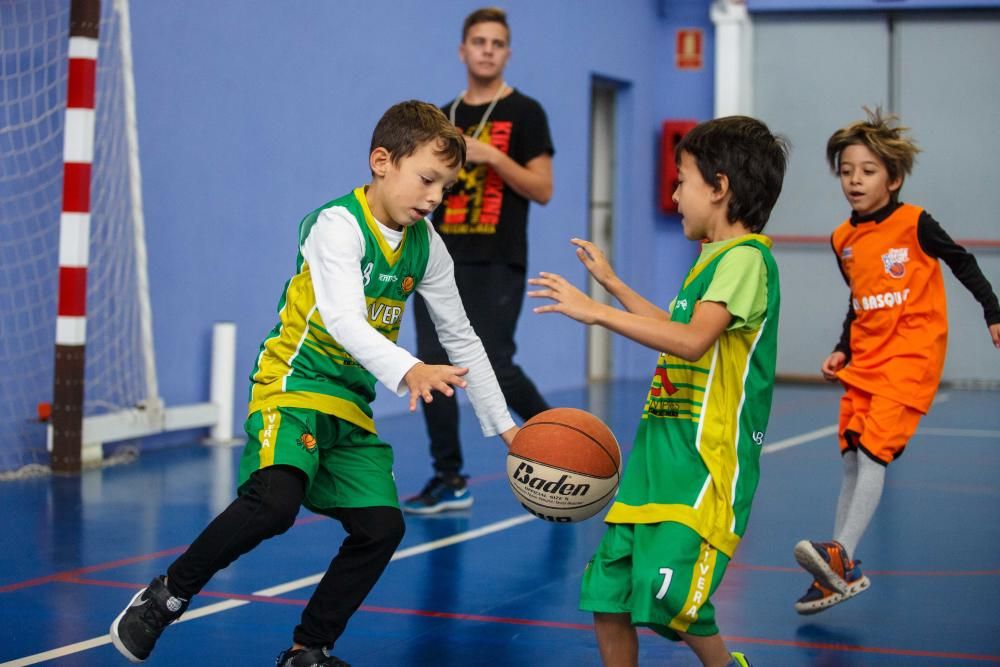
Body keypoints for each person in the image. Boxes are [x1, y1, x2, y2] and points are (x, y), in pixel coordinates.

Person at [108, 101, 518, 667]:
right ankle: (168, 594)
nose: (433, 198)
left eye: (445, 187)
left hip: (349, 404)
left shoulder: (426, 244)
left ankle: (308, 650)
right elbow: (346, 321)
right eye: (427, 179)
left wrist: (508, 432)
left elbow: (463, 337)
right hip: (294, 384)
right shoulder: (338, 225)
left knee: (382, 527)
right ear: (382, 161)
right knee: (275, 502)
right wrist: (409, 368)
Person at [529, 116, 789, 667]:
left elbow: (692, 341)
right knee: (609, 595)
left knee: (668, 594)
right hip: (655, 462)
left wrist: (596, 312)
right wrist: (616, 286)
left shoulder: (746, 259)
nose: (673, 195)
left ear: (719, 188)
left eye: (682, 182)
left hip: (703, 466)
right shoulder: (712, 260)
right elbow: (676, 333)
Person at [792, 107, 1000, 615]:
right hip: (865, 358)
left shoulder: (915, 224)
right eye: (846, 171)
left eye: (867, 171)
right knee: (849, 456)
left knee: (873, 455)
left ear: (894, 177)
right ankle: (840, 571)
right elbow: (858, 299)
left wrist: (994, 312)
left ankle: (839, 557)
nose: (854, 180)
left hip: (911, 355)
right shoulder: (843, 239)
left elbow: (964, 262)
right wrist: (843, 345)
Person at [403, 6, 554, 514]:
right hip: (439, 258)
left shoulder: (526, 113)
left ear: (506, 53)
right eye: (478, 41)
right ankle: (449, 477)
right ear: (463, 50)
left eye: (496, 43)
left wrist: (493, 157)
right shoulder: (443, 117)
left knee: (496, 365)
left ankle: (557, 443)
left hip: (497, 260)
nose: (487, 50)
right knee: (432, 367)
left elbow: (543, 189)